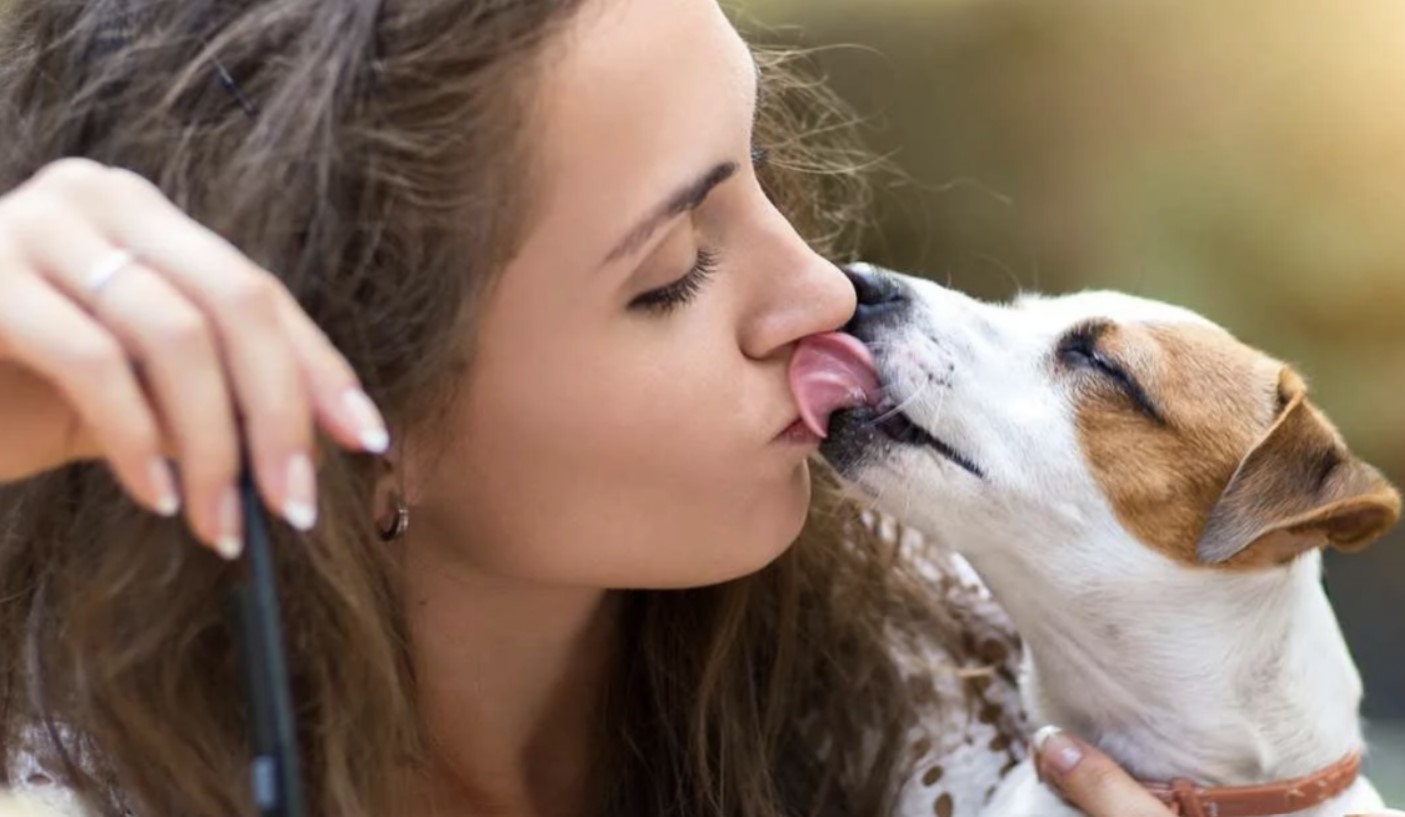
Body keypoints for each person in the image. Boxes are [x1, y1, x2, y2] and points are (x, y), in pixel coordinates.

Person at [0, 0, 1229, 815]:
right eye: (671, 273)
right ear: (355, 424)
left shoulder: (972, 657)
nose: (821, 290)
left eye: (760, 164)